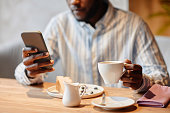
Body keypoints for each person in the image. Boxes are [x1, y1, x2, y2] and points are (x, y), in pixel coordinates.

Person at [15, 0, 169, 93]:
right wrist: (31, 71)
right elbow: (22, 73)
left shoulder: (135, 25)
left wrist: (141, 81)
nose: (74, 2)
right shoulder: (59, 24)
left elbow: (162, 77)